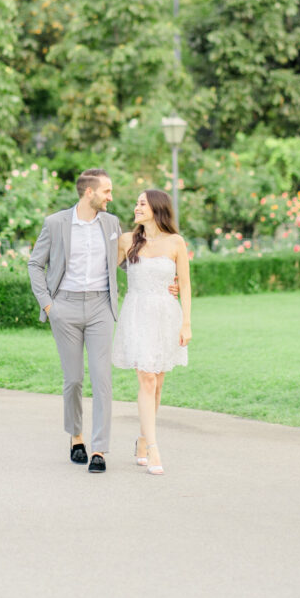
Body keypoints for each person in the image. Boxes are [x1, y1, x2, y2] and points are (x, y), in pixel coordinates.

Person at [28, 168, 120, 473]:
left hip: (100, 308)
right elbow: (35, 264)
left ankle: (100, 450)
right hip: (64, 307)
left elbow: (125, 261)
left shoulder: (112, 223)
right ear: (89, 193)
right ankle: (76, 437)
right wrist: (49, 305)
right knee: (74, 380)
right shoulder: (55, 223)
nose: (111, 196)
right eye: (106, 191)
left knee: (102, 378)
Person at [112, 188, 192, 475]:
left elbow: (184, 285)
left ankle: (143, 438)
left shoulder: (176, 242)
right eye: (136, 203)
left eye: (142, 203)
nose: (136, 207)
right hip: (137, 313)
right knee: (146, 379)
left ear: (157, 208)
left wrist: (186, 323)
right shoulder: (126, 241)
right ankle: (154, 448)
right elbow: (108, 269)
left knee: (157, 383)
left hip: (166, 316)